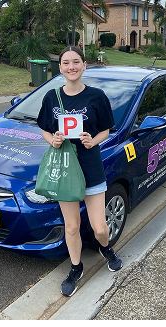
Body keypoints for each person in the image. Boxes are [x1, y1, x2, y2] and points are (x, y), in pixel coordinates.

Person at [37, 45, 123, 297]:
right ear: (60, 67)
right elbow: (44, 128)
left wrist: (92, 140)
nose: (71, 67)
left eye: (76, 62)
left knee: (99, 228)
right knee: (71, 226)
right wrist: (51, 139)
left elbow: (106, 129)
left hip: (91, 168)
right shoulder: (52, 97)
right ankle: (76, 267)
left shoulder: (97, 96)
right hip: (65, 170)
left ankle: (105, 248)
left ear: (84, 65)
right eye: (66, 62)